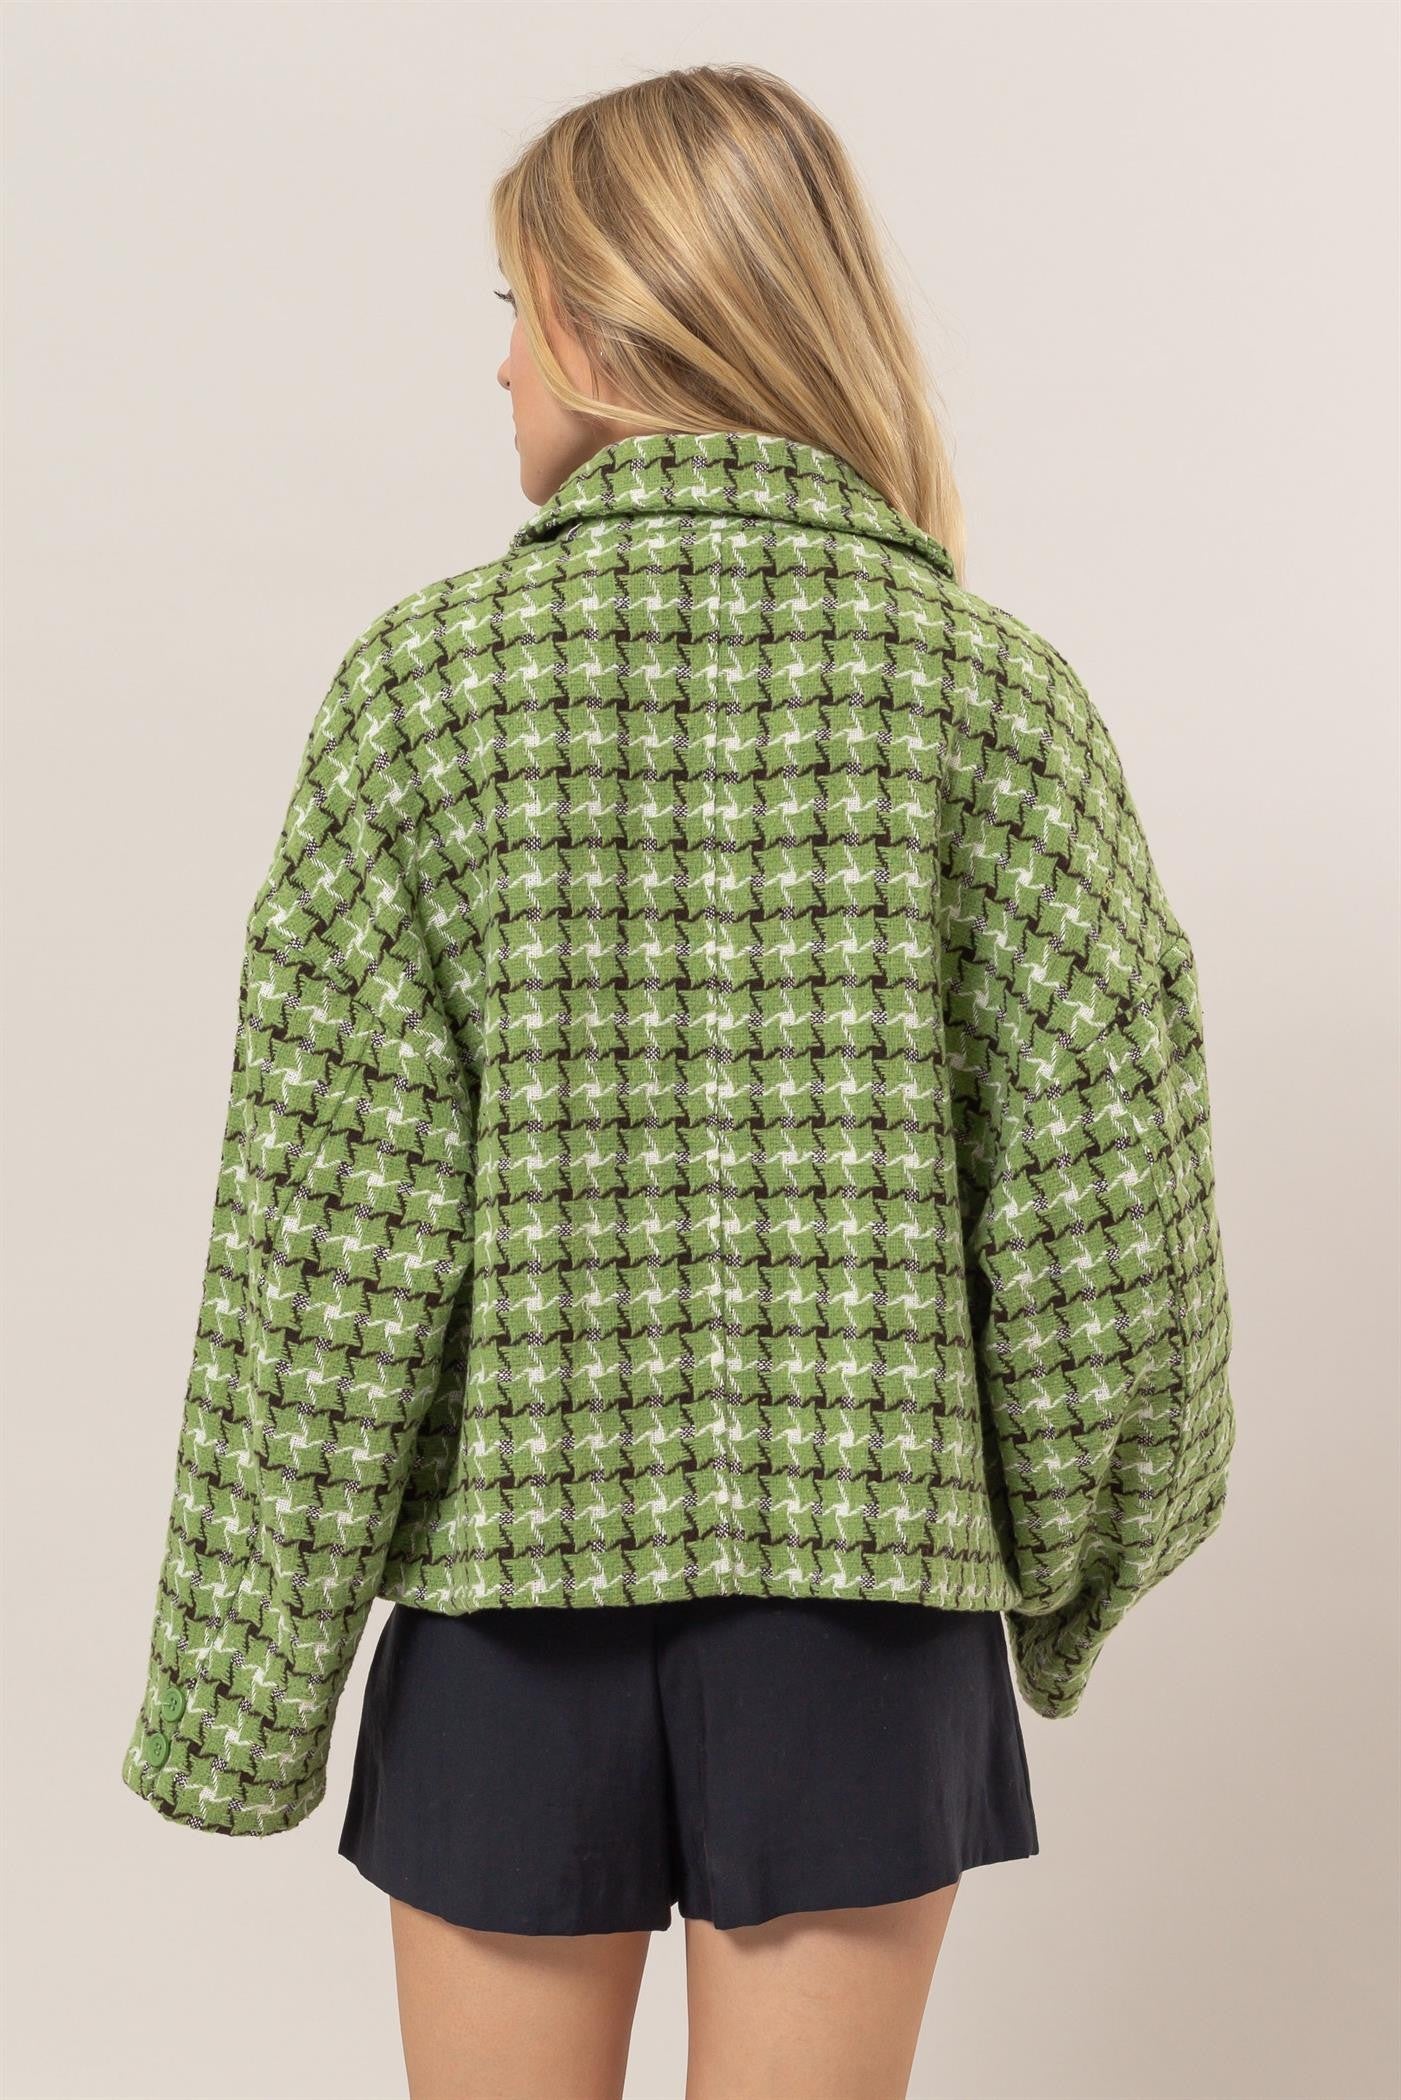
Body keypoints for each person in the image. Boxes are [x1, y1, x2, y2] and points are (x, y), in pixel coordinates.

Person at [119, 61, 1236, 2100]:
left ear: (603, 320)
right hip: (866, 1617)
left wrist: (241, 1697)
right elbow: (1109, 1248)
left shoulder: (425, 694)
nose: (497, 368)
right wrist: (1060, 1577)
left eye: (511, 309)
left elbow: (322, 1277)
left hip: (504, 1617)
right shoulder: (990, 700)